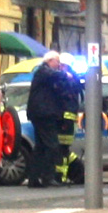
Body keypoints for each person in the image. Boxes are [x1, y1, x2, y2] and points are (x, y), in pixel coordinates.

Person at [26, 51, 69, 188]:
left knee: (40, 147)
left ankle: (34, 178)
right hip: (43, 114)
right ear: (50, 61)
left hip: (41, 113)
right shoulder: (43, 71)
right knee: (52, 145)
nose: (58, 65)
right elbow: (54, 75)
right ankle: (47, 176)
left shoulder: (44, 73)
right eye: (57, 62)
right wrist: (65, 73)